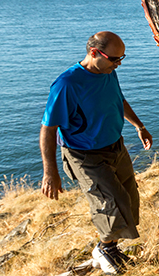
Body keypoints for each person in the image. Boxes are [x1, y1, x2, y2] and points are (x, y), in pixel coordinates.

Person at [39, 31, 153, 275]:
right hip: (84, 154)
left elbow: (119, 101)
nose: (118, 64)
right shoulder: (67, 84)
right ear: (93, 53)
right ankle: (104, 251)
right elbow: (48, 129)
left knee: (130, 199)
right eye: (114, 59)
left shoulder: (108, 73)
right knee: (111, 202)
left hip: (115, 146)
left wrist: (139, 126)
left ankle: (108, 248)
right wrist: (50, 172)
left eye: (121, 58)